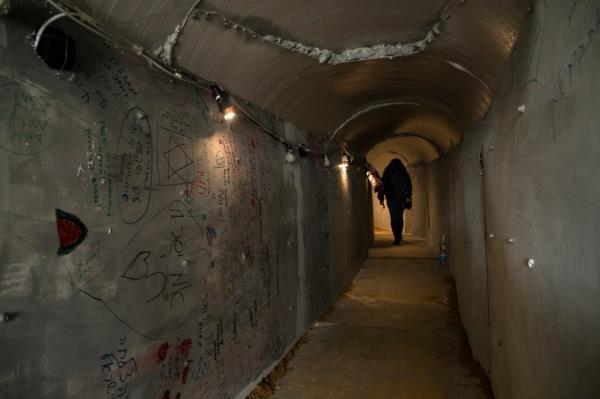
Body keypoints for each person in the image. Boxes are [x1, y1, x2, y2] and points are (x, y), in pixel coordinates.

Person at [377, 158, 412, 245]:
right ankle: (399, 236)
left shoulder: (387, 174)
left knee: (394, 218)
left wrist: (381, 197)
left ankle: (396, 237)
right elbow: (409, 186)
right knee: (400, 217)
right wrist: (408, 197)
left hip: (391, 199)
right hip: (402, 199)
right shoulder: (404, 173)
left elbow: (382, 187)